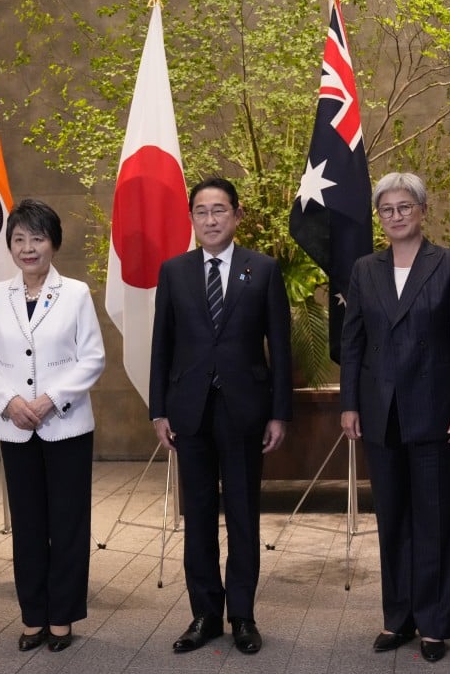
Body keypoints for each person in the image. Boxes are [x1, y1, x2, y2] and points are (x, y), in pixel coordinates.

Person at [339, 172, 450, 663]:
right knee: (393, 519)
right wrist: (350, 404)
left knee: (436, 519)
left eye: (404, 207)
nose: (396, 216)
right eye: (387, 209)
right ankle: (397, 618)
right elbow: (352, 342)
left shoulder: (449, 265)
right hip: (381, 414)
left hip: (438, 413)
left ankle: (436, 624)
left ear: (422, 210)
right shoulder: (365, 269)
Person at [150, 177, 292, 655]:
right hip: (189, 412)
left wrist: (279, 413)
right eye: (201, 212)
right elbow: (161, 347)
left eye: (219, 210)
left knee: (244, 515)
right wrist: (158, 410)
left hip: (245, 412)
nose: (210, 220)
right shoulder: (174, 271)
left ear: (236, 215)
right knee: (199, 519)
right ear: (192, 218)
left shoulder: (264, 269)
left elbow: (281, 347)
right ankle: (205, 614)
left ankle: (243, 616)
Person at [0, 199, 105, 653]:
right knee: (27, 525)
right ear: (10, 245)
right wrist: (10, 402)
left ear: (54, 243)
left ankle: (62, 618)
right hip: (16, 428)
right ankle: (33, 617)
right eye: (19, 239)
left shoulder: (77, 293)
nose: (28, 249)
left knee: (67, 523)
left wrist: (50, 399)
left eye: (38, 238)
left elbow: (93, 358)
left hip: (66, 426)